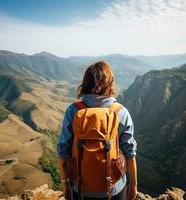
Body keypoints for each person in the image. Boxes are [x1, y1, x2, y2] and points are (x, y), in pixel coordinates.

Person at [57, 61, 137, 200]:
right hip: (114, 189)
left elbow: (63, 152)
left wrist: (65, 185)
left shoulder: (73, 111)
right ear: (110, 83)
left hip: (80, 188)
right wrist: (134, 184)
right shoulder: (120, 112)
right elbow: (130, 153)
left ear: (85, 83)